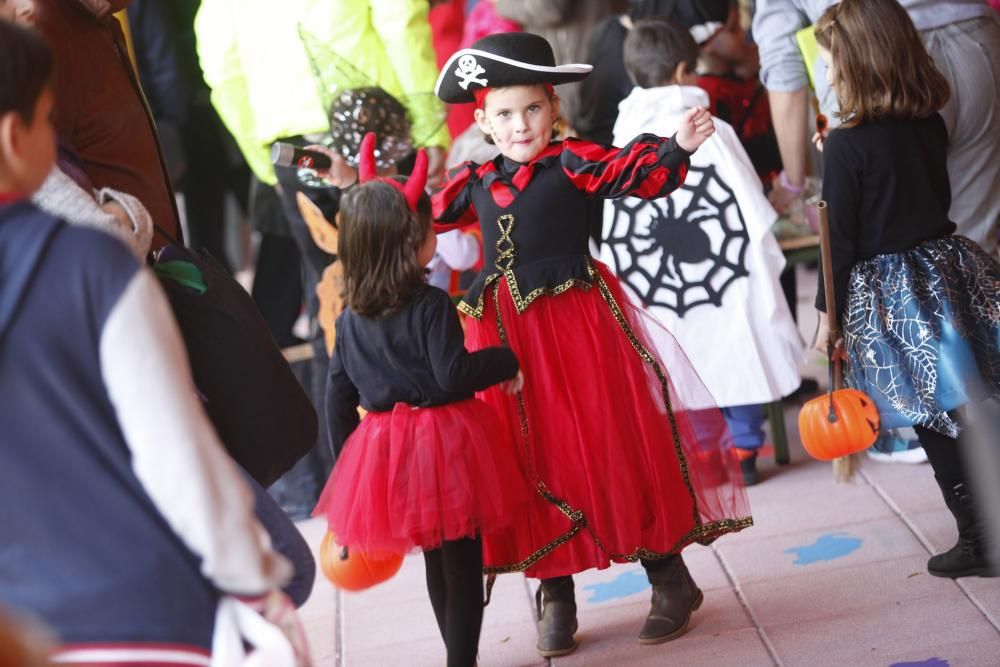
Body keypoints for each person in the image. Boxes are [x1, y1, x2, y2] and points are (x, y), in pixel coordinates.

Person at [432, 32, 752, 656]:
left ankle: (668, 576)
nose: (520, 125)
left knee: (608, 443)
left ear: (553, 109)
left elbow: (627, 170)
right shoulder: (470, 180)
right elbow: (414, 211)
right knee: (529, 454)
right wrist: (350, 186)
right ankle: (555, 590)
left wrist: (676, 145)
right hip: (502, 339)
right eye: (504, 114)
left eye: (531, 109)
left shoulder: (571, 161)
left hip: (577, 329)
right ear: (483, 123)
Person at [0, 21, 303, 664]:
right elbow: (176, 449)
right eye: (48, 119)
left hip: (25, 623)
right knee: (293, 568)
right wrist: (255, 588)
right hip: (145, 610)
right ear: (13, 135)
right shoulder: (89, 264)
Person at [312, 135, 527, 667]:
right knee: (462, 559)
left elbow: (337, 400)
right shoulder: (430, 305)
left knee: (437, 558)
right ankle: (461, 662)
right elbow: (453, 376)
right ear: (412, 243)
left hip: (390, 453)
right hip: (447, 445)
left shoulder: (348, 322)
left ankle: (460, 660)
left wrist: (349, 474)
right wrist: (504, 361)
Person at [811, 0, 1000, 579]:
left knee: (932, 413)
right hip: (945, 268)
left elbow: (839, 241)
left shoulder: (846, 145)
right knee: (967, 402)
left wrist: (829, 320)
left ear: (855, 65)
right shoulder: (927, 123)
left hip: (894, 294)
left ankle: (979, 538)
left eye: (832, 63)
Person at [603, 17, 803, 485]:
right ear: (680, 73)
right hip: (724, 268)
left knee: (681, 358)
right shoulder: (712, 131)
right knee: (742, 338)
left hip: (658, 277)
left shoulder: (621, 142)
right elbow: (752, 204)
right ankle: (747, 447)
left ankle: (704, 457)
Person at [754, 0, 1000, 254]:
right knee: (976, 251)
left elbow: (781, 55)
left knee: (879, 261)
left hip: (868, 59)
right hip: (975, 41)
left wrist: (794, 183)